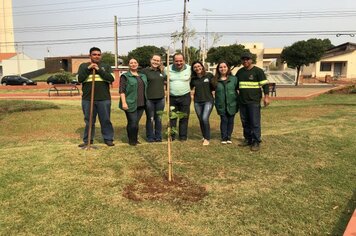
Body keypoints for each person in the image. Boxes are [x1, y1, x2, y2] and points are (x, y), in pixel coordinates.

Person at [77, 47, 115, 147]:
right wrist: (88, 68)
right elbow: (79, 79)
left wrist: (99, 70)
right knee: (89, 121)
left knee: (105, 120)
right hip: (88, 99)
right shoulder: (83, 66)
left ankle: (108, 139)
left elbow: (111, 78)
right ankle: (88, 140)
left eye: (98, 54)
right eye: (94, 54)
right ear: (90, 56)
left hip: (104, 99)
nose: (97, 56)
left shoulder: (106, 66)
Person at [236, 52, 270, 151]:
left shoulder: (258, 71)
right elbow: (235, 85)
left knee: (254, 122)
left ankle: (256, 141)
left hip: (254, 102)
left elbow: (265, 85)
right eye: (243, 59)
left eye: (247, 59)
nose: (245, 61)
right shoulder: (240, 72)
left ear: (251, 60)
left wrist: (266, 97)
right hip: (242, 101)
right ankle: (248, 139)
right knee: (245, 122)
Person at [119, 58, 147, 146]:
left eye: (135, 62)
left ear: (138, 64)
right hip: (130, 103)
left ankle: (135, 139)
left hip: (141, 103)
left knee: (135, 122)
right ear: (129, 65)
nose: (133, 64)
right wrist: (124, 102)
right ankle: (132, 140)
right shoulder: (125, 76)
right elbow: (122, 90)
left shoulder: (143, 76)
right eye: (131, 63)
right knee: (133, 122)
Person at [166, 53, 191, 141]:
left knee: (184, 117)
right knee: (172, 117)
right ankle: (172, 136)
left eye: (181, 61)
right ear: (173, 61)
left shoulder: (189, 68)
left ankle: (183, 137)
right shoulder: (167, 69)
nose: (179, 63)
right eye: (176, 61)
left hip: (185, 96)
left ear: (184, 61)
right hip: (171, 97)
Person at [212, 61, 239, 144]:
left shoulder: (234, 79)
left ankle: (229, 137)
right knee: (224, 120)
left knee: (231, 120)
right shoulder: (214, 80)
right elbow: (212, 92)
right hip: (221, 104)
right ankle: (224, 137)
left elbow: (238, 90)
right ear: (218, 69)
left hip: (232, 104)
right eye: (220, 67)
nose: (223, 69)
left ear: (228, 68)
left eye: (224, 67)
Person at [141, 54, 165, 142]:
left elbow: (167, 81)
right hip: (149, 99)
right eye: (154, 60)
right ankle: (150, 136)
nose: (155, 62)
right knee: (150, 118)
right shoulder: (144, 71)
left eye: (158, 61)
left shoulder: (162, 71)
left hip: (161, 99)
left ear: (160, 62)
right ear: (150, 60)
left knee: (159, 119)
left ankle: (158, 136)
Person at [190, 61, 214, 146]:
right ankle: (204, 136)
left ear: (202, 67)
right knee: (201, 119)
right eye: (195, 67)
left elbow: (215, 85)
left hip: (208, 101)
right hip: (197, 102)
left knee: (204, 118)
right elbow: (189, 87)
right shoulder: (193, 79)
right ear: (193, 69)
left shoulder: (209, 75)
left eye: (199, 66)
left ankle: (207, 138)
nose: (197, 68)